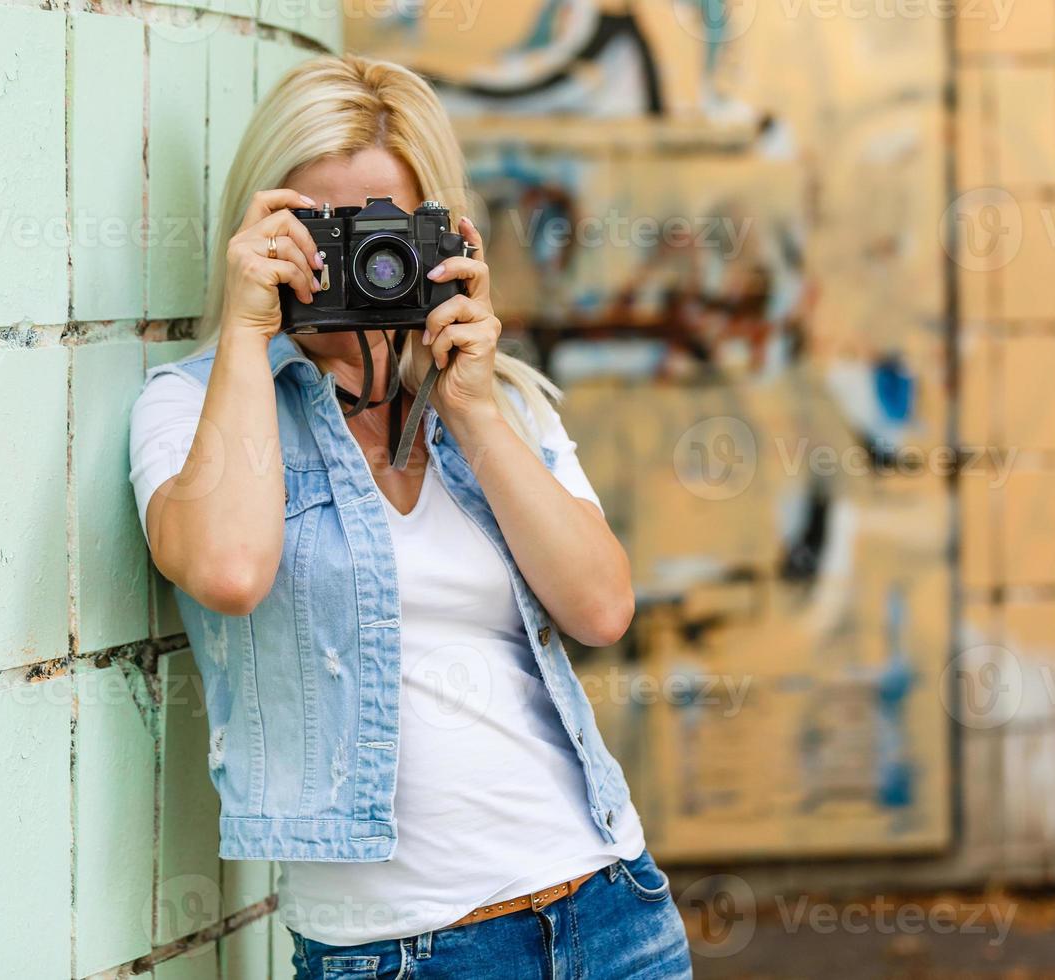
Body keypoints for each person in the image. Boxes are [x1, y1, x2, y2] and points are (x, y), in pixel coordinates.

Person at [129, 53, 692, 979]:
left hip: (612, 909)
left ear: (437, 233)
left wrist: (471, 406)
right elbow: (229, 571)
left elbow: (601, 609)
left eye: (378, 228)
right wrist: (244, 331)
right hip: (400, 953)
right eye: (320, 228)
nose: (351, 257)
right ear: (258, 225)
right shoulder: (192, 407)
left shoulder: (497, 400)